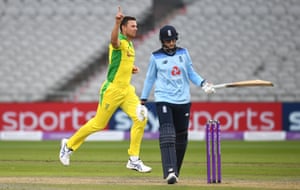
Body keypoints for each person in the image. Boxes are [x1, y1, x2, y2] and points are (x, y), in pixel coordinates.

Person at [59, 6, 152, 173]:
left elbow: (119, 63)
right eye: (132, 26)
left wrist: (131, 68)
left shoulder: (130, 45)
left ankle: (133, 159)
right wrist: (116, 23)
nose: (136, 28)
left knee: (141, 118)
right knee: (98, 124)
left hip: (127, 90)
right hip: (113, 90)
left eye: (136, 26)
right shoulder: (120, 42)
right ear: (124, 27)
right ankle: (68, 145)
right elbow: (114, 41)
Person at [140, 25, 215, 184]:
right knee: (167, 134)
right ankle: (169, 171)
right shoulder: (155, 57)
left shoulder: (184, 53)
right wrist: (143, 99)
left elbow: (191, 73)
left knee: (181, 137)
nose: (171, 42)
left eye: (173, 39)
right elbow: (150, 78)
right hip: (164, 99)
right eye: (168, 40)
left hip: (183, 100)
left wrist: (203, 83)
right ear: (162, 41)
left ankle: (175, 172)